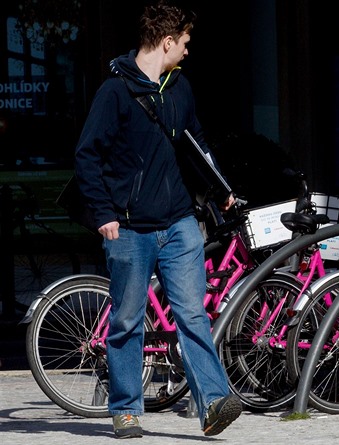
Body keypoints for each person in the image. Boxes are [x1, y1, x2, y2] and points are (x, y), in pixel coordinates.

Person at [74, 1, 241, 439]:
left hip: (179, 223)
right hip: (129, 228)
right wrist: (103, 214)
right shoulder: (115, 92)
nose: (187, 51)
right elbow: (87, 155)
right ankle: (126, 409)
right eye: (184, 42)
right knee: (127, 320)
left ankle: (214, 402)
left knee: (193, 316)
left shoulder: (180, 87)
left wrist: (220, 188)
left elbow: (195, 144)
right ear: (167, 41)